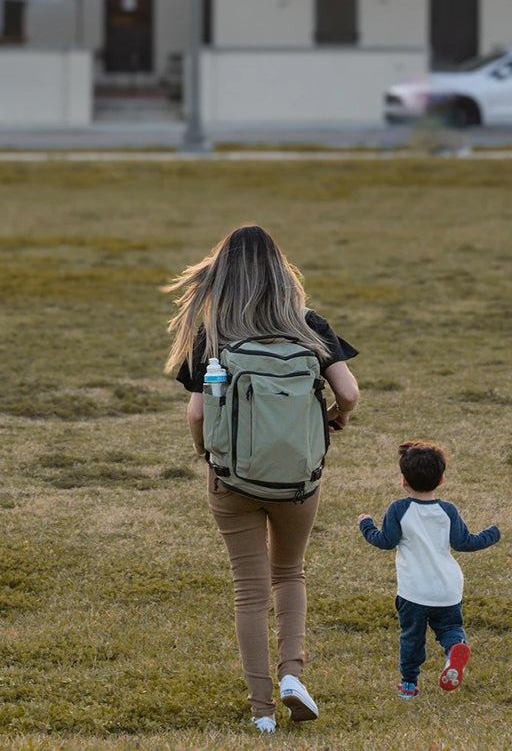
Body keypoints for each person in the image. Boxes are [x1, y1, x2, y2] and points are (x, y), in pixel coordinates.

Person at [165, 225, 359, 734]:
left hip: (231, 479)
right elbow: (351, 392)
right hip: (298, 479)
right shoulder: (309, 325)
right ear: (281, 269)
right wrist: (337, 416)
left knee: (248, 591)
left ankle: (262, 712)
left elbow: (195, 416)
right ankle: (293, 675)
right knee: (289, 573)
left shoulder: (216, 333)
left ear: (223, 274)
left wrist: (206, 459)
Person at [358, 441, 500, 699]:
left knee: (412, 637)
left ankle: (409, 684)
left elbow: (384, 541)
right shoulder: (447, 510)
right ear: (442, 479)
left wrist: (366, 524)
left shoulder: (399, 509)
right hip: (448, 588)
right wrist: (492, 534)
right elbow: (464, 543)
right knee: (449, 628)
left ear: (403, 480)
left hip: (414, 592)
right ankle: (455, 647)